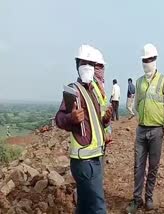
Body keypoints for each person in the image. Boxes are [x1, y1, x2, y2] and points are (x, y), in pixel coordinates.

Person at [55, 44, 112, 214]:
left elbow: (96, 123)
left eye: (90, 64)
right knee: (98, 207)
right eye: (83, 63)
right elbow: (59, 118)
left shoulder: (93, 91)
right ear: (78, 66)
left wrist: (106, 120)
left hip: (95, 157)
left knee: (85, 205)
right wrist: (70, 118)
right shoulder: (73, 90)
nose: (87, 67)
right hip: (84, 161)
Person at [126, 43, 164, 213]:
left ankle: (149, 197)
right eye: (144, 60)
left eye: (149, 59)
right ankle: (136, 199)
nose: (147, 62)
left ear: (155, 60)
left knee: (153, 166)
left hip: (157, 131)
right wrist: (135, 113)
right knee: (138, 166)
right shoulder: (139, 81)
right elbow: (135, 103)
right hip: (141, 130)